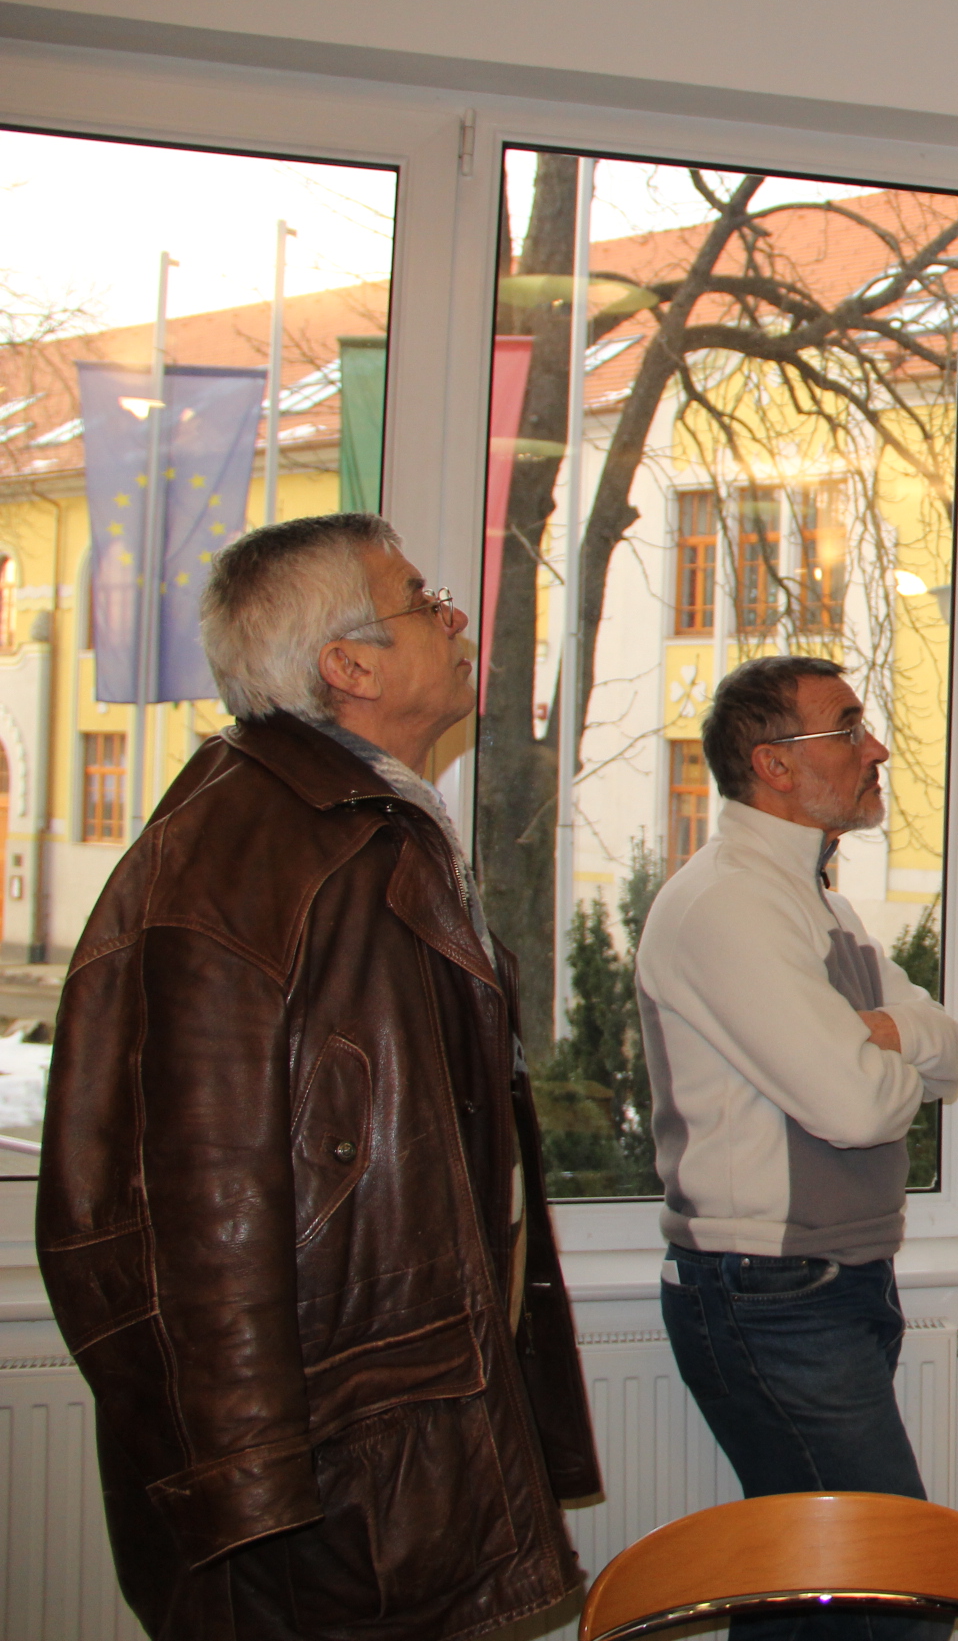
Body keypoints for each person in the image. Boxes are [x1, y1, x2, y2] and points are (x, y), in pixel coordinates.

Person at [37, 514, 599, 1639]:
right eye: (422, 600)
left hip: (391, 1445)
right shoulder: (243, 857)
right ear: (349, 665)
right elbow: (191, 1213)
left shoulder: (360, 823)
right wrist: (250, 1499)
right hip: (331, 1492)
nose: (455, 618)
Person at [637, 655, 958, 1637]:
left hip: (831, 1283)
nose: (877, 750)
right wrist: (885, 1051)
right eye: (848, 728)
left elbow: (952, 1050)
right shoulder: (729, 905)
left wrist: (886, 1034)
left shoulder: (820, 904)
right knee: (893, 1596)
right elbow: (857, 1109)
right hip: (770, 1294)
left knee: (809, 1598)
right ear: (774, 766)